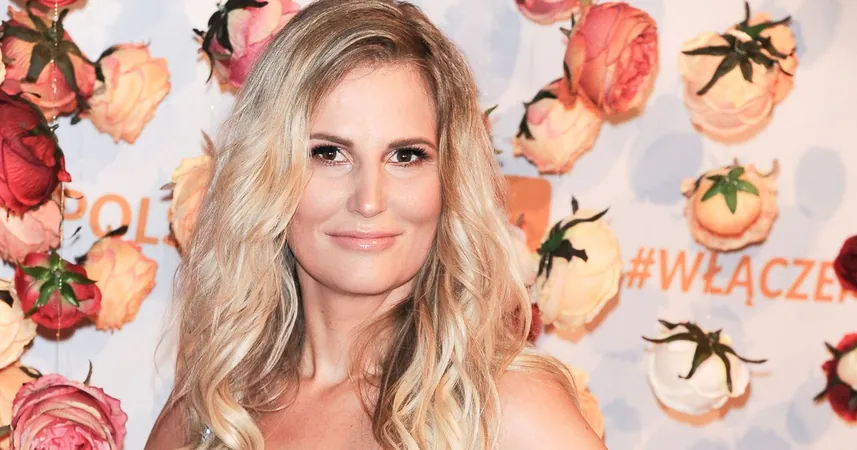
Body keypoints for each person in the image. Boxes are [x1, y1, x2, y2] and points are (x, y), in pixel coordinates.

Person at [146, 0, 606, 448]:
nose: (369, 201)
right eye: (329, 153)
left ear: (449, 178)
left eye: (405, 156)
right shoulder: (210, 411)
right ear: (266, 171)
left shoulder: (508, 411)